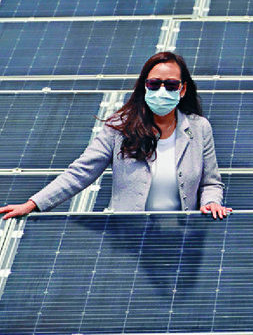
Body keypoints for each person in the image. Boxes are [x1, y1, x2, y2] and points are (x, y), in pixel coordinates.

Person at [0, 52, 231, 219]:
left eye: (170, 85)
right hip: (126, 237)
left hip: (182, 235)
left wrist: (211, 203)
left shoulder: (199, 128)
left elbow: (211, 182)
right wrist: (33, 204)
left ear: (182, 89)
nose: (162, 90)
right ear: (144, 87)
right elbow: (81, 171)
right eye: (154, 84)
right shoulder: (120, 127)